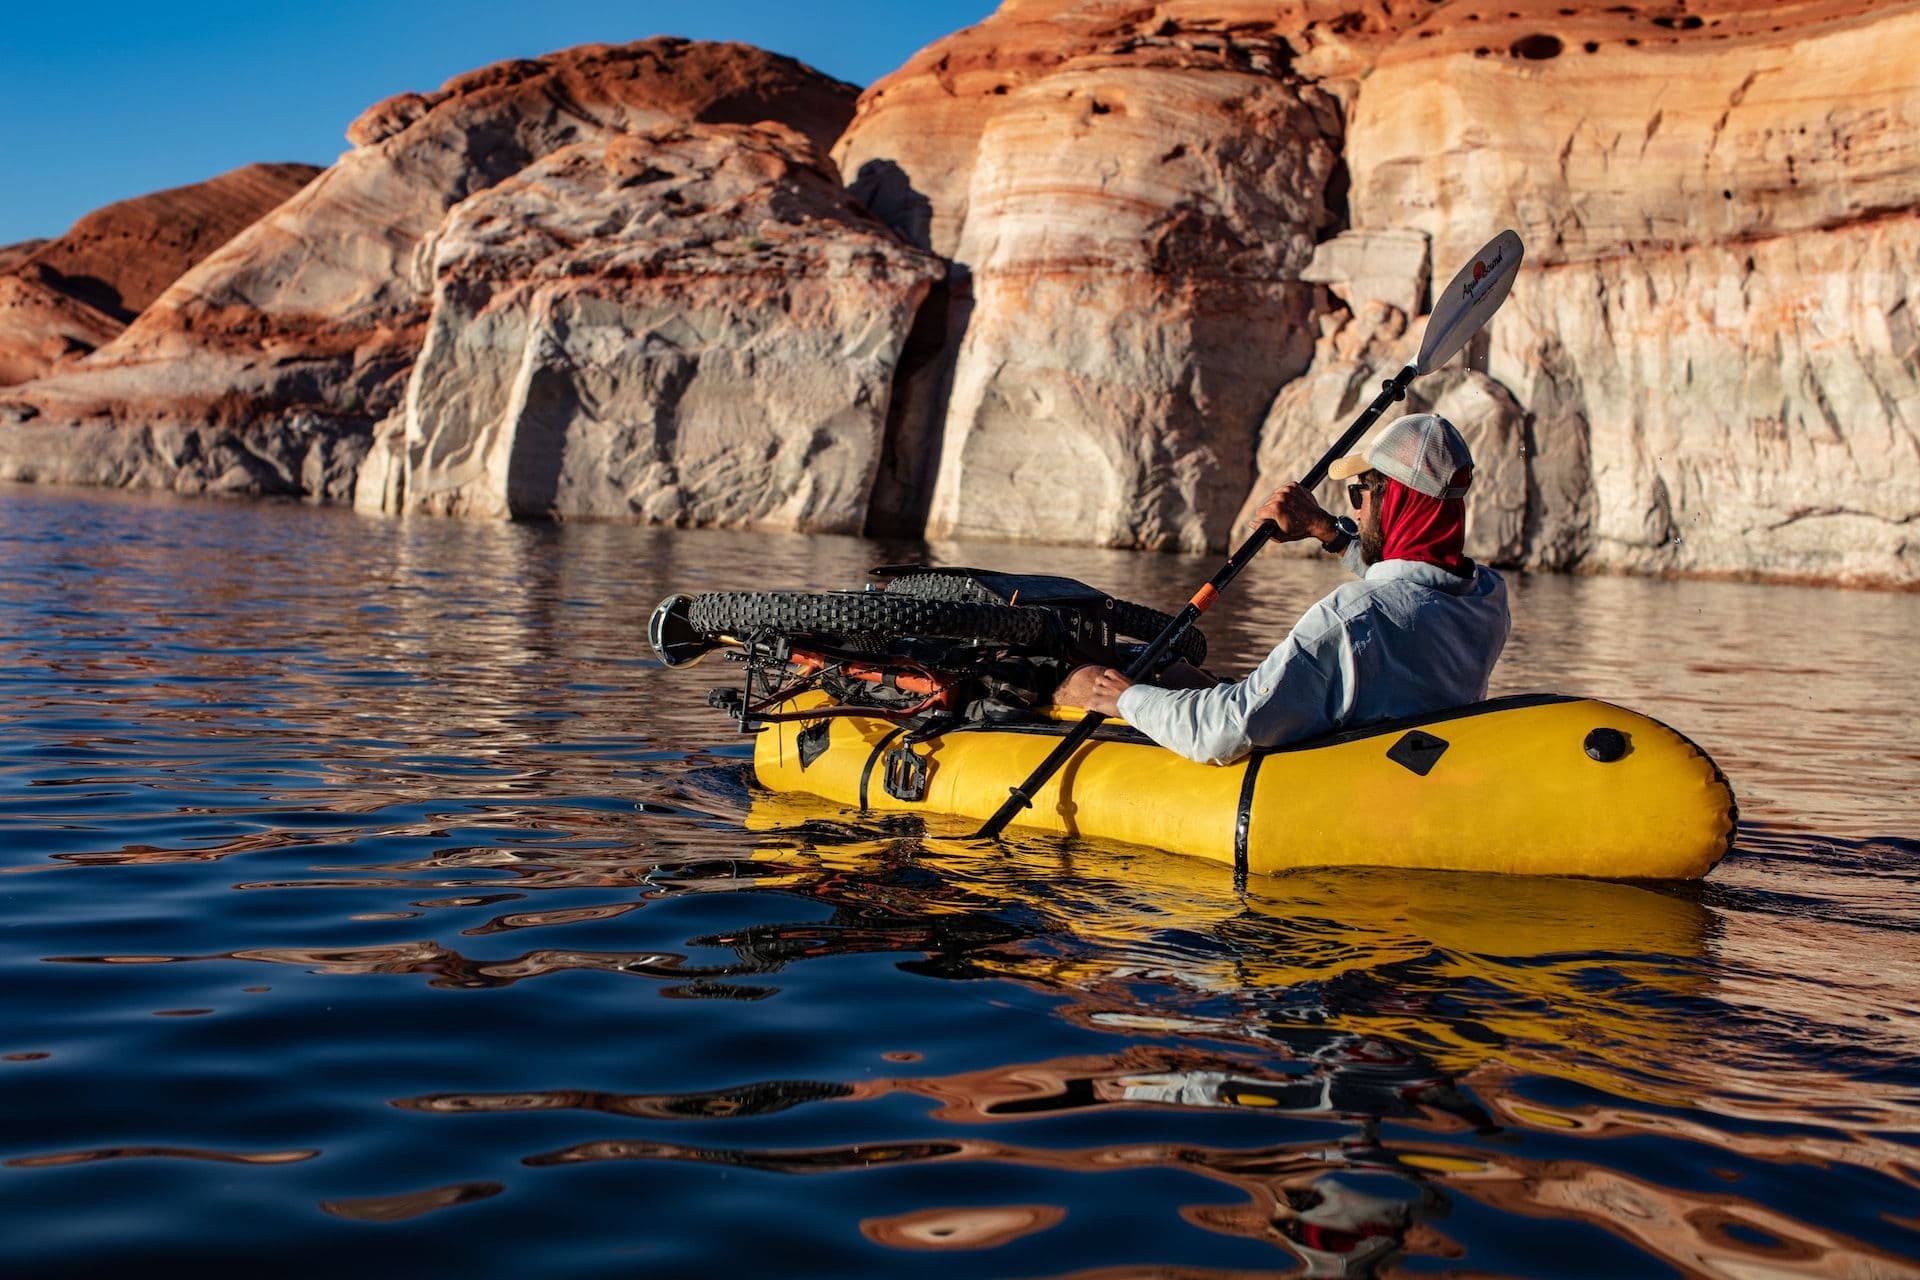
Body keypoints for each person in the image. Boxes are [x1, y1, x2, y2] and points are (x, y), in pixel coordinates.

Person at [1053, 413, 1510, 764]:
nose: (1358, 509)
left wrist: (1123, 699)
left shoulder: (1351, 616)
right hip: (1404, 758)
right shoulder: (1488, 597)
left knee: (1089, 681)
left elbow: (1224, 731)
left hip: (1322, 772)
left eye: (1360, 494)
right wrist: (1324, 529)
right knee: (1174, 674)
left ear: (1393, 500)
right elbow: (1410, 586)